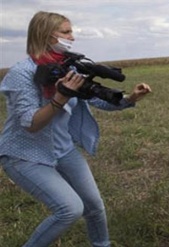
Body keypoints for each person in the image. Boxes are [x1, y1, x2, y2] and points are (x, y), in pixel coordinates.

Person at [0, 11, 151, 247]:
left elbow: (94, 99)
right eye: (67, 32)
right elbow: (30, 124)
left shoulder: (68, 67)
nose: (73, 37)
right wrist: (60, 96)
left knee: (94, 206)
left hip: (63, 149)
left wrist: (130, 98)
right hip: (25, 155)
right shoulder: (23, 73)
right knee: (69, 209)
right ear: (49, 36)